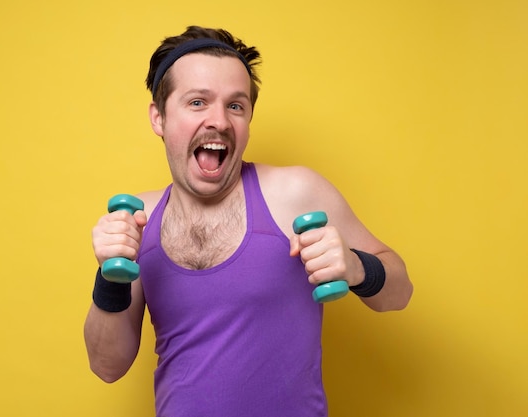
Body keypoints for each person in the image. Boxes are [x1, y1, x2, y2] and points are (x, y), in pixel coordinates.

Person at [84, 25, 413, 416]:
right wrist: (109, 275)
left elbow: (400, 292)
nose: (219, 121)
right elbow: (107, 366)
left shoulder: (294, 193)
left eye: (235, 106)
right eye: (197, 103)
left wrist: (358, 268)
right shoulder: (137, 219)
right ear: (159, 117)